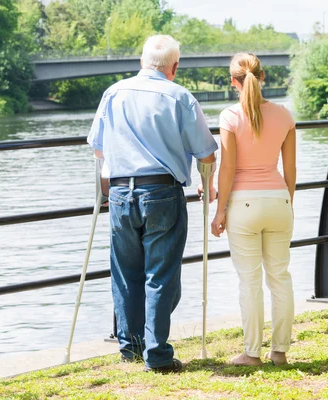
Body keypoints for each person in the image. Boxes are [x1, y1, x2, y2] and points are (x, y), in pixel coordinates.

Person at [87, 35, 218, 373]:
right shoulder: (179, 97)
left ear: (142, 61)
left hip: (119, 193)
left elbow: (98, 149)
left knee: (125, 273)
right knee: (160, 275)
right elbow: (206, 152)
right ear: (174, 67)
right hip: (162, 192)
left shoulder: (113, 93)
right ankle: (157, 355)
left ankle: (131, 348)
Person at [211, 53, 296, 367]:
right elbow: (290, 169)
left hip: (243, 205)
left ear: (234, 82)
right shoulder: (285, 115)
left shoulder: (230, 117)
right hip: (278, 200)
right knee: (280, 277)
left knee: (249, 281)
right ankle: (280, 352)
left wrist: (220, 211)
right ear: (263, 78)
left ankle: (251, 353)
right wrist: (288, 203)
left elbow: (228, 169)